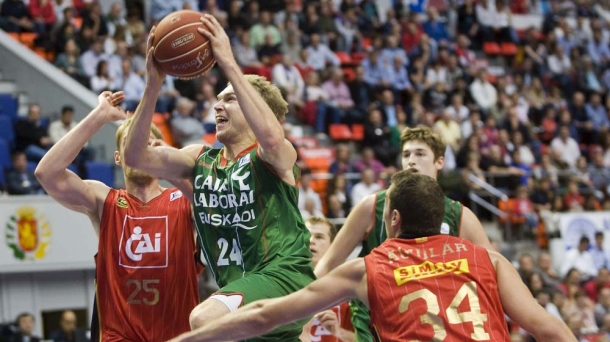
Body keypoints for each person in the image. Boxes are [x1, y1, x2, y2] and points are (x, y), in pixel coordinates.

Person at [168, 172, 576, 342]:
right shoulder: (490, 261)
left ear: (392, 218)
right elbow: (551, 331)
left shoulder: (366, 269)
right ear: (443, 220)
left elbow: (263, 314)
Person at [123, 15, 314, 341]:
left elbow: (270, 138)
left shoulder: (274, 157)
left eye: (230, 99)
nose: (217, 106)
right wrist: (153, 84)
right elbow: (135, 157)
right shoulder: (200, 158)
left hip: (283, 278)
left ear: (256, 110)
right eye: (218, 98)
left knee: (203, 317)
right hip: (242, 297)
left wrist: (227, 61)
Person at [34, 91, 200, 341]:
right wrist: (99, 116)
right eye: (131, 146)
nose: (138, 154)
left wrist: (171, 158)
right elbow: (47, 173)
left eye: (145, 146)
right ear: (118, 157)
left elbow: (215, 206)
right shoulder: (104, 200)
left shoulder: (185, 200)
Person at [314, 126, 493, 340]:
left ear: (440, 162)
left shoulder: (459, 215)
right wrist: (306, 308)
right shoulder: (371, 206)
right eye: (406, 154)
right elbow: (327, 264)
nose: (411, 160)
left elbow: (493, 271)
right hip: (373, 325)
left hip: (432, 323)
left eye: (420, 154)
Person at [300, 217, 354, 342]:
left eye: (319, 237)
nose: (311, 241)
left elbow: (366, 339)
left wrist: (339, 332)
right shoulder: (284, 284)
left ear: (333, 246)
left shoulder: (348, 289)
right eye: (306, 235)